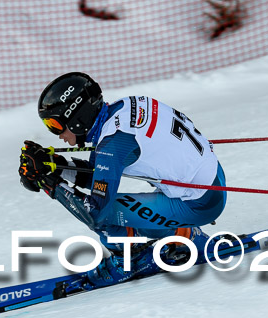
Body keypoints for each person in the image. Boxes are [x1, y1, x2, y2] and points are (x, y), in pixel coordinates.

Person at [19, 72, 227, 288]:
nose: (57, 135)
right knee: (108, 202)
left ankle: (128, 262)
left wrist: (49, 184)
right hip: (211, 182)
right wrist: (54, 165)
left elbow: (96, 214)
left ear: (77, 118)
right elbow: (98, 175)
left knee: (106, 215)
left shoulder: (113, 144)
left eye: (55, 125)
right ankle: (182, 235)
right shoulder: (124, 108)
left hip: (199, 204)